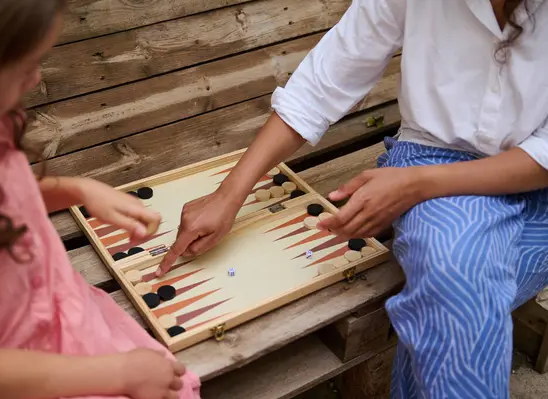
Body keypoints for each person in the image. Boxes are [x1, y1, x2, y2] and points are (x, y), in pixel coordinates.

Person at [158, 0, 548, 397]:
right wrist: (228, 195)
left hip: (536, 182)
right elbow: (325, 81)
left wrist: (414, 186)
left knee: (453, 303)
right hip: (433, 153)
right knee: (457, 287)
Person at [0, 1, 201, 398]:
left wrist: (77, 190)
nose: (35, 80)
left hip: (63, 314)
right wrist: (120, 373)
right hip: (19, 374)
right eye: (25, 66)